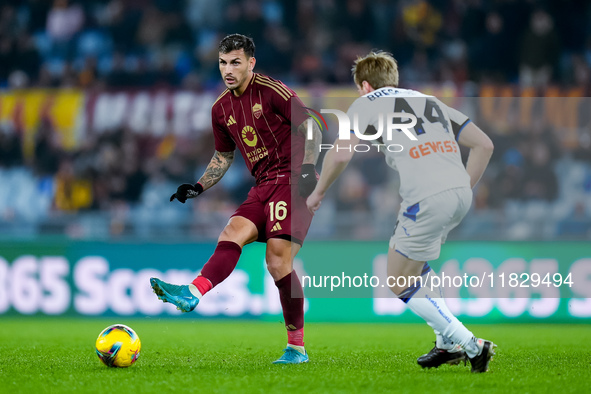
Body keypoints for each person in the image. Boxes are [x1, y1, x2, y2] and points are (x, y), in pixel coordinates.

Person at [306, 51, 496, 373]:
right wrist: (460, 188)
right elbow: (485, 145)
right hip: (461, 193)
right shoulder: (431, 101)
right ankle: (446, 344)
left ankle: (471, 344)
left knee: (396, 280)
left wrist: (318, 192)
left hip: (427, 198)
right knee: (415, 268)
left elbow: (339, 155)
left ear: (364, 86)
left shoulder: (366, 103)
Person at [150, 34, 321, 364]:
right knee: (230, 233)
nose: (228, 70)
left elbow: (310, 126)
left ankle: (296, 348)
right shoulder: (220, 109)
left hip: (291, 181)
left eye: (235, 62)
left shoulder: (272, 92)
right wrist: (199, 186)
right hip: (261, 186)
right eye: (222, 63)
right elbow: (223, 155)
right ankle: (193, 291)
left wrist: (309, 167)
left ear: (251, 63)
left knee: (276, 261)